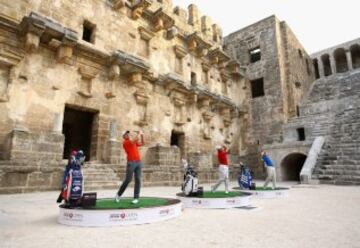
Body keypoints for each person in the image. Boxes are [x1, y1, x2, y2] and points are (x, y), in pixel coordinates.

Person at [115, 130, 144, 204]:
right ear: (124, 136)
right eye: (126, 134)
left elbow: (142, 143)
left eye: (128, 133)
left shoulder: (133, 142)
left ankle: (136, 198)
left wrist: (142, 135)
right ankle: (118, 195)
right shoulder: (126, 142)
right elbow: (135, 140)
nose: (128, 134)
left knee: (138, 179)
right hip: (131, 163)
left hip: (138, 162)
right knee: (128, 180)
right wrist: (139, 133)